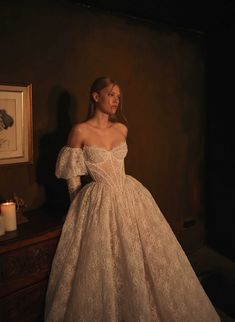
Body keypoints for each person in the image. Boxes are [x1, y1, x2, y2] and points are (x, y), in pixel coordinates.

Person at [44, 77, 220, 322]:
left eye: (118, 96)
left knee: (141, 257)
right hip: (99, 200)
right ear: (95, 96)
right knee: (105, 264)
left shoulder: (121, 129)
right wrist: (77, 209)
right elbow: (73, 180)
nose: (117, 100)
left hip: (129, 195)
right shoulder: (80, 131)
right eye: (111, 94)